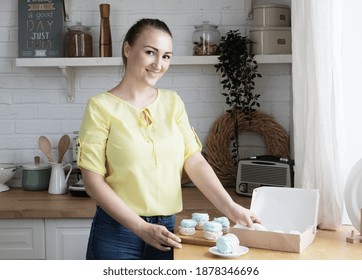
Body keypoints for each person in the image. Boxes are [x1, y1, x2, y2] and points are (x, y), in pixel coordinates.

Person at [77, 18, 260, 260]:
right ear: (128, 49)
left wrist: (231, 208)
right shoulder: (101, 107)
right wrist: (140, 227)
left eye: (166, 56)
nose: (158, 64)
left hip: (167, 230)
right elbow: (93, 182)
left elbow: (194, 161)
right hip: (116, 233)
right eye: (150, 52)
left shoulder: (172, 102)